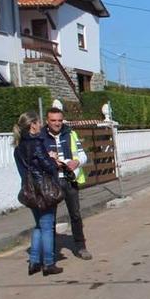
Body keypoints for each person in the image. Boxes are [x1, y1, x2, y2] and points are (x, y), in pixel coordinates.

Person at [13, 111, 63, 276]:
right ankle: (49, 263)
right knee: (47, 227)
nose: (41, 125)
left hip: (29, 190)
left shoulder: (18, 147)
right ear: (32, 124)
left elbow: (24, 170)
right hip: (43, 190)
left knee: (39, 226)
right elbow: (47, 166)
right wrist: (53, 160)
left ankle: (34, 262)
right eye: (39, 122)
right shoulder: (36, 143)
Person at [41, 107, 92, 260]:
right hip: (52, 181)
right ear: (47, 121)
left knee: (75, 215)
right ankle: (51, 253)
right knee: (50, 218)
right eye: (53, 120)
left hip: (70, 180)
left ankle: (81, 247)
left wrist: (77, 162)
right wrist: (50, 161)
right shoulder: (40, 137)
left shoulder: (70, 133)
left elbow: (83, 155)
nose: (57, 124)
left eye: (59, 120)